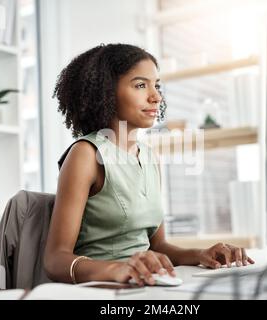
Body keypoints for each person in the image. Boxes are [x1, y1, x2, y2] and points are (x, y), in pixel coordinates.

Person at [44, 43, 254, 286]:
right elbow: (55, 260)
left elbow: (158, 246)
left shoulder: (149, 157)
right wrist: (116, 269)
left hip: (144, 284)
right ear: (106, 92)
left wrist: (201, 254)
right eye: (141, 85)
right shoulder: (86, 154)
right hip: (103, 289)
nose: (155, 96)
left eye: (157, 85)